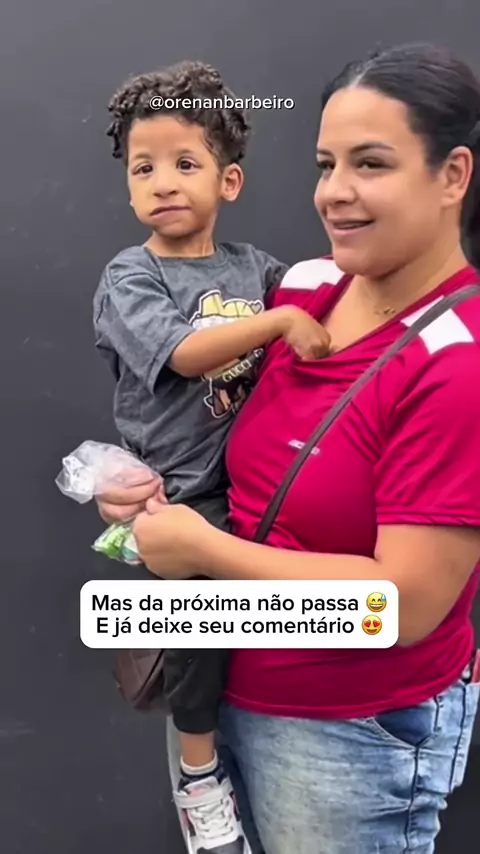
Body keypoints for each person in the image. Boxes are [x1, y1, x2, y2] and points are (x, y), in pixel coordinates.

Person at [97, 43, 480, 854]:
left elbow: (403, 606)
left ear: (452, 176)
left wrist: (202, 548)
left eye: (371, 163)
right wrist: (145, 492)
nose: (334, 191)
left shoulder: (460, 363)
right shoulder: (302, 288)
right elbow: (217, 424)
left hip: (341, 737)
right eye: (325, 164)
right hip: (220, 684)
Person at [93, 60, 330, 854]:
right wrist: (279, 323)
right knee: (198, 627)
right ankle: (199, 776)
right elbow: (187, 354)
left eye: (184, 164)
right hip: (181, 494)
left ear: (228, 181)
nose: (162, 182)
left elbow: (318, 309)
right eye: (143, 168)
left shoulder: (256, 270)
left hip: (258, 484)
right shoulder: (131, 276)